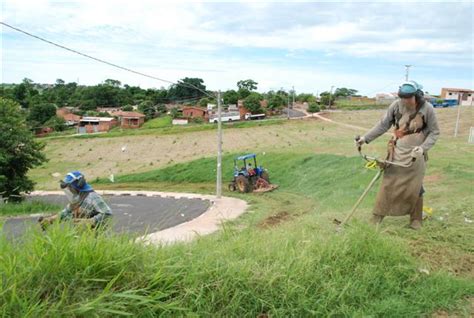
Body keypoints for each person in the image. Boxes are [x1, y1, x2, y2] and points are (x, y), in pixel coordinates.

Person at [356, 81, 440, 229]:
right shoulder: (396, 105)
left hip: (416, 154)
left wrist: (423, 148)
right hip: (396, 152)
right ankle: (377, 218)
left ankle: (416, 220)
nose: (405, 101)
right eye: (403, 97)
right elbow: (383, 125)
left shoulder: (428, 109)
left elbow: (434, 132)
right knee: (388, 184)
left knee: (415, 187)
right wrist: (365, 138)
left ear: (417, 96)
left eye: (409, 97)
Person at [39, 171, 112, 229]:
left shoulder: (93, 197)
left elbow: (107, 213)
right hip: (80, 236)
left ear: (78, 185)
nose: (69, 190)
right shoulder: (77, 199)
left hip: (95, 237)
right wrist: (50, 220)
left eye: (70, 187)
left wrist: (90, 221)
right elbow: (65, 213)